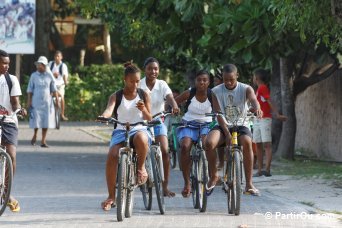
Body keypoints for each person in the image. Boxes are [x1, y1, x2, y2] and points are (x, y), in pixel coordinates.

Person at [99, 61, 152, 211]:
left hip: (138, 128)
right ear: (125, 80)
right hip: (121, 130)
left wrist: (143, 110)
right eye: (131, 81)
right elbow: (109, 110)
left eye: (137, 81)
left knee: (142, 138)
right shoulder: (117, 96)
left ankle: (141, 168)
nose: (135, 85)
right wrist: (104, 116)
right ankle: (111, 196)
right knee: (112, 155)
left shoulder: (143, 95)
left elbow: (149, 118)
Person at [205, 63, 262, 196]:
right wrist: (227, 134)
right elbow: (218, 113)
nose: (229, 82)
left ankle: (248, 184)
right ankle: (214, 176)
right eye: (226, 80)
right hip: (223, 125)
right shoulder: (215, 91)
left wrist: (257, 107)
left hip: (241, 124)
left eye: (232, 79)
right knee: (209, 143)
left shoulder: (246, 88)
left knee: (247, 143)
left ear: (237, 76)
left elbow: (254, 100)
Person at [139, 57, 180, 197]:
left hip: (157, 121)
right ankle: (140, 172)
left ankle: (165, 186)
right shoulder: (139, 84)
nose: (153, 71)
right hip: (141, 123)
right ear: (145, 69)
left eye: (156, 68)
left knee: (165, 150)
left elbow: (169, 97)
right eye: (150, 68)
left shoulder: (162, 84)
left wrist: (174, 105)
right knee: (140, 148)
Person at [175, 70, 213, 198]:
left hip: (207, 125)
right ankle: (187, 183)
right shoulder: (189, 93)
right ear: (195, 81)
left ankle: (210, 172)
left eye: (204, 80)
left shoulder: (212, 94)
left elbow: (219, 109)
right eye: (199, 80)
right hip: (189, 124)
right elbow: (174, 102)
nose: (202, 82)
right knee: (185, 147)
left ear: (209, 82)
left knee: (208, 144)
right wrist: (173, 109)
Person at [0, 49, 26, 212]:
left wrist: (19, 109)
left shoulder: (11, 80)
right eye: (3, 63)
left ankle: (6, 191)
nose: (6, 66)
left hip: (8, 120)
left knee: (11, 154)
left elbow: (15, 102)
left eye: (8, 63)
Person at [252, 68, 287, 177]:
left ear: (256, 78)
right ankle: (260, 169)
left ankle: (266, 169)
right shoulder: (258, 90)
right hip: (258, 119)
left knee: (266, 144)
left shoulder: (262, 88)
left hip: (264, 119)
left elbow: (269, 101)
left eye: (253, 77)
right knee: (258, 144)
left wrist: (276, 114)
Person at [27, 56, 58, 148]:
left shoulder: (49, 75)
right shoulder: (34, 76)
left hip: (47, 102)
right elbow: (30, 90)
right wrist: (29, 101)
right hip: (36, 101)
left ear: (45, 66)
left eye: (41, 65)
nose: (39, 67)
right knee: (36, 120)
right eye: (38, 65)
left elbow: (54, 89)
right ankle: (35, 134)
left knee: (46, 121)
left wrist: (57, 101)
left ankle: (43, 140)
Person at [48, 50, 69, 121]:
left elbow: (65, 76)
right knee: (46, 97)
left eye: (58, 56)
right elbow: (46, 73)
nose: (57, 58)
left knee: (62, 97)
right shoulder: (50, 64)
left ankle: (62, 114)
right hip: (51, 84)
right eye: (55, 56)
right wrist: (52, 75)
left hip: (60, 85)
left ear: (61, 57)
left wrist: (66, 82)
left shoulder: (63, 66)